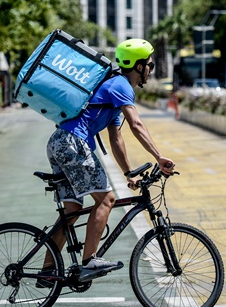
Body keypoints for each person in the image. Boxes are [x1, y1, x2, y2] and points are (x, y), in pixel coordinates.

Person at [44, 38, 176, 283]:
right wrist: (158, 157)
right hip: (73, 143)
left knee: (71, 212)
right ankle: (89, 259)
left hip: (59, 142)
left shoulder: (112, 91)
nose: (150, 69)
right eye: (150, 64)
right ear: (138, 66)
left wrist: (129, 173)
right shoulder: (121, 86)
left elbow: (116, 138)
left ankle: (47, 270)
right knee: (107, 199)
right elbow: (136, 124)